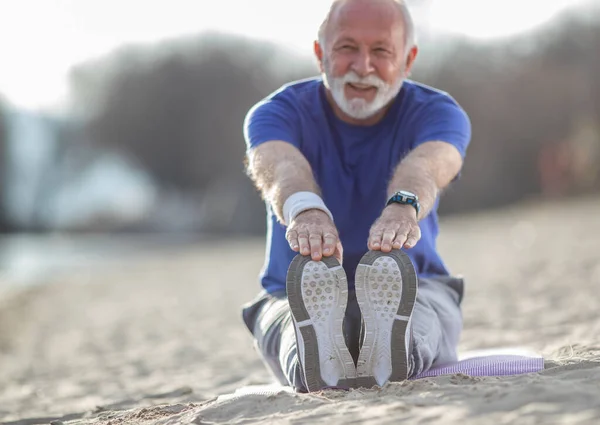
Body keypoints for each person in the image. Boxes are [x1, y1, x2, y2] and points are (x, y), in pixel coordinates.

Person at [241, 0, 471, 392]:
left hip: (417, 283)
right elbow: (280, 167)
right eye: (347, 47)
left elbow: (429, 165)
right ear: (320, 53)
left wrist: (403, 206)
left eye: (381, 51)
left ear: (408, 59)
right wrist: (306, 211)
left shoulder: (439, 112)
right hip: (291, 291)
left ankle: (395, 349)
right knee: (292, 330)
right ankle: (316, 361)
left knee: (420, 317)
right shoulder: (274, 113)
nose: (362, 66)